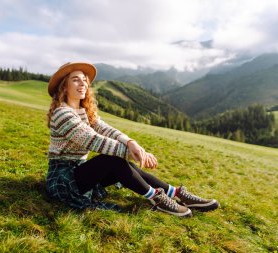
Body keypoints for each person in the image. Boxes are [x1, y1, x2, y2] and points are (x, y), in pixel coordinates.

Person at [46, 62, 219, 217]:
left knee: (120, 162)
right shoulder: (62, 113)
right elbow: (94, 140)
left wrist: (131, 142)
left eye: (84, 79)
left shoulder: (85, 112)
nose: (83, 83)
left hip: (81, 172)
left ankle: (175, 193)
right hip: (64, 179)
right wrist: (134, 153)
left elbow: (105, 129)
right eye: (75, 79)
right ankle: (156, 198)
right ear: (64, 86)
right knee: (112, 159)